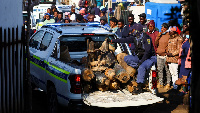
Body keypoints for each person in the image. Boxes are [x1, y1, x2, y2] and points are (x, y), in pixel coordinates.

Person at [108, 24, 156, 94]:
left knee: (142, 67)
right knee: (127, 58)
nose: (131, 32)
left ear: (137, 31)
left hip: (149, 58)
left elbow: (147, 52)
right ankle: (137, 68)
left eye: (133, 30)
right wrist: (113, 40)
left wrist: (141, 62)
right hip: (140, 57)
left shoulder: (146, 38)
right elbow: (125, 40)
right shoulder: (135, 37)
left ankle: (139, 86)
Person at [155, 23, 171, 89]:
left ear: (166, 29)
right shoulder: (160, 35)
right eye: (161, 28)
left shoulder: (169, 35)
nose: (162, 29)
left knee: (167, 70)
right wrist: (158, 36)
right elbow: (156, 43)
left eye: (163, 28)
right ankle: (161, 83)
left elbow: (169, 45)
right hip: (159, 55)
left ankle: (168, 83)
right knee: (160, 70)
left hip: (165, 55)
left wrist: (166, 52)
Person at [176, 30, 191, 94]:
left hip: (188, 63)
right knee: (182, 76)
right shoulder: (186, 41)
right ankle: (184, 90)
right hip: (183, 62)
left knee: (186, 77)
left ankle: (186, 91)